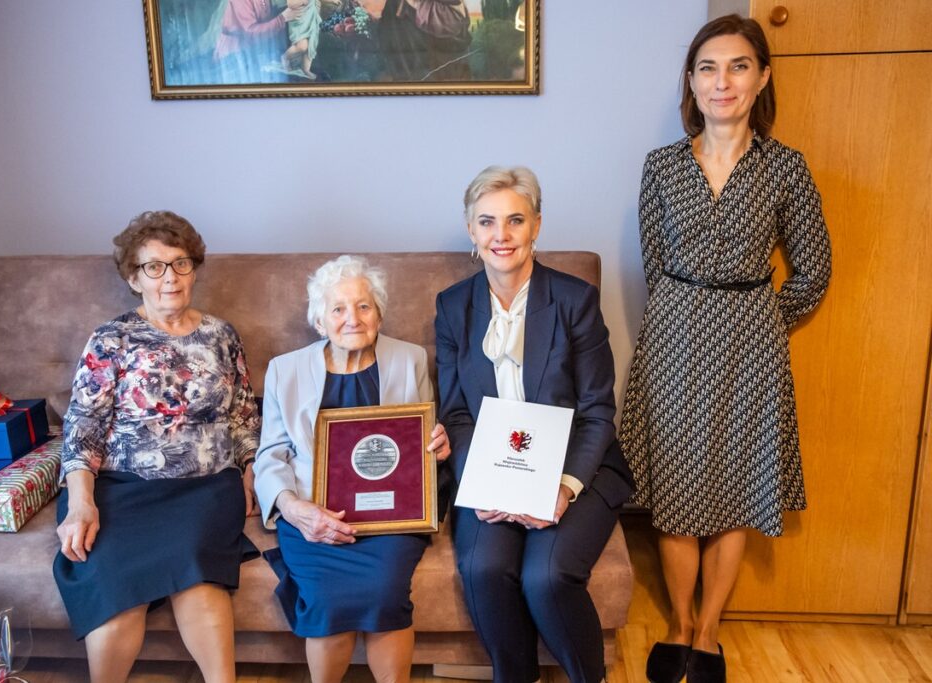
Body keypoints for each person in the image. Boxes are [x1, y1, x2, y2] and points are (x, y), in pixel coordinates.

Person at [620, 14, 832, 683]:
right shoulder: (661, 167)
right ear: (691, 80)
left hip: (751, 346)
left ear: (762, 76)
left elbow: (815, 268)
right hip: (676, 339)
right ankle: (678, 625)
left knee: (737, 491)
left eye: (739, 66)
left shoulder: (786, 169)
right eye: (709, 67)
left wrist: (767, 317)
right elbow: (656, 267)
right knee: (677, 490)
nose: (723, 81)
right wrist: (688, 315)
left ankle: (708, 634)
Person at [435, 166, 634, 683]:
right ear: (471, 230)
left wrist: (563, 489)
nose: (501, 235)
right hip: (495, 468)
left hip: (574, 467)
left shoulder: (573, 300)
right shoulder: (453, 306)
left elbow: (596, 411)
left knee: (545, 578)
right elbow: (456, 413)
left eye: (515, 220)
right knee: (484, 569)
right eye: (487, 222)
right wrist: (476, 480)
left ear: (537, 227)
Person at [53, 211, 261, 683]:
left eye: (180, 264)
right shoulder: (112, 338)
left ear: (194, 268)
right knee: (117, 588)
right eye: (154, 267)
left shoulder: (221, 335)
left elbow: (244, 416)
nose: (170, 277)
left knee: (198, 576)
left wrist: (252, 475)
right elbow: (82, 427)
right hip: (119, 487)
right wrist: (81, 502)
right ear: (133, 277)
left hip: (205, 487)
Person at [253, 255, 451, 683]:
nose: (352, 319)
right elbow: (270, 454)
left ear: (379, 313)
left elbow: (420, 440)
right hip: (313, 510)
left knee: (384, 589)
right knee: (325, 596)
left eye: (364, 306)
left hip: (393, 516)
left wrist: (433, 446)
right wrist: (293, 509)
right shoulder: (284, 371)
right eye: (338, 309)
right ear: (319, 321)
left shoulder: (409, 359)